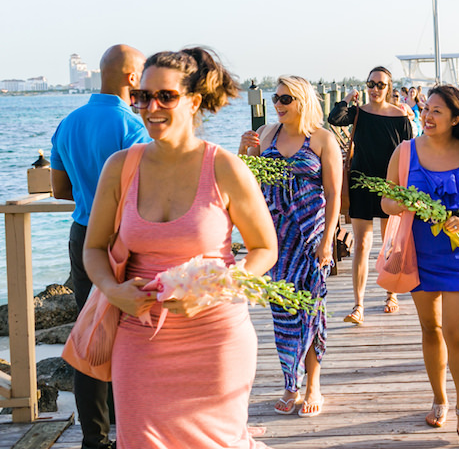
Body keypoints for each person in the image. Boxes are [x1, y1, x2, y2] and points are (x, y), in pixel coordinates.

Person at [83, 47, 278, 449]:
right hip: (141, 338)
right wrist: (113, 290)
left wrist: (214, 289)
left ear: (193, 101)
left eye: (165, 96)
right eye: (141, 96)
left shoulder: (224, 166)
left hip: (215, 338)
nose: (150, 107)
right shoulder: (121, 167)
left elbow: (264, 249)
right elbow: (93, 249)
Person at [381, 85, 459, 439]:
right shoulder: (405, 151)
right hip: (418, 250)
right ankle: (439, 398)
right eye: (426, 109)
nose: (427, 117)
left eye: (437, 112)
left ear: (456, 118)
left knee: (458, 333)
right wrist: (404, 203)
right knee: (430, 329)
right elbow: (386, 202)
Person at [50, 44, 150, 449]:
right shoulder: (133, 128)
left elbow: (60, 190)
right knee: (130, 335)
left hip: (82, 235)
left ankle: (94, 438)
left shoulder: (69, 122)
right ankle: (129, 430)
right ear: (131, 78)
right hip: (125, 241)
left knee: (91, 331)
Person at [238, 75, 341, 417]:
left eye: (285, 99)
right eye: (275, 99)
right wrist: (242, 150)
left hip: (310, 240)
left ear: (302, 101)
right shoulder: (267, 134)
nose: (278, 105)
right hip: (274, 239)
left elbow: (335, 195)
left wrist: (327, 242)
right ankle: (289, 383)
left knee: (311, 310)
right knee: (282, 311)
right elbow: (246, 182)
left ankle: (313, 383)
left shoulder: (323, 139)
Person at [327, 66, 413, 323]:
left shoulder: (400, 117)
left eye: (381, 85)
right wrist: (348, 97)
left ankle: (391, 295)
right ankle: (358, 305)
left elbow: (410, 153)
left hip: (390, 186)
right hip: (361, 183)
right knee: (362, 244)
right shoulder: (357, 114)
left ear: (389, 88)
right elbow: (334, 117)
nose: (375, 89)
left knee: (390, 244)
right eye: (371, 84)